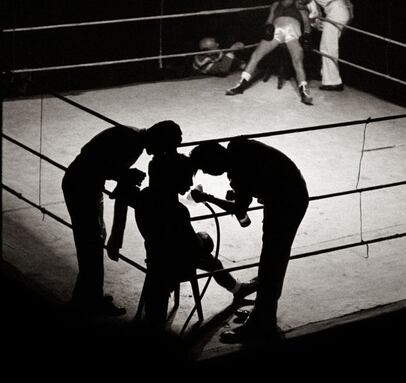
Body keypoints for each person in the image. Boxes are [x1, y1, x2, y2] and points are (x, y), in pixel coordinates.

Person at [115, 153, 257, 328]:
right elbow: (194, 245)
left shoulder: (144, 196)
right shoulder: (178, 211)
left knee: (202, 261)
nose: (190, 184)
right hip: (177, 262)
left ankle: (155, 316)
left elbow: (124, 195)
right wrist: (205, 238)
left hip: (154, 256)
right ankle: (236, 289)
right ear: (172, 179)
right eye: (186, 178)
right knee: (210, 257)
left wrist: (127, 182)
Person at [189, 137, 309, 344]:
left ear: (212, 161)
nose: (208, 174)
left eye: (206, 169)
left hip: (286, 202)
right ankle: (262, 311)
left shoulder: (237, 170)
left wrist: (207, 197)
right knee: (272, 257)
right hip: (287, 195)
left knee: (273, 259)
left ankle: (263, 321)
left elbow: (239, 209)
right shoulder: (238, 147)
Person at [62, 120, 182, 316]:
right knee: (91, 240)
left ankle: (88, 294)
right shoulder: (132, 142)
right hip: (82, 185)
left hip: (85, 183)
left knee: (93, 238)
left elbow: (98, 159)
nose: (159, 153)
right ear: (159, 139)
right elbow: (100, 163)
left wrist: (123, 174)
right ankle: (89, 300)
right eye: (164, 147)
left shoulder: (133, 138)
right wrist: (124, 174)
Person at [225, 0, 313, 105]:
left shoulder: (297, 2)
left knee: (297, 61)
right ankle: (240, 85)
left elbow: (305, 20)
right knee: (255, 55)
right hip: (276, 31)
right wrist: (268, 27)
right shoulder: (275, 4)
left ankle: (304, 92)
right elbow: (269, 21)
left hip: (293, 31)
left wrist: (307, 34)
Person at [301, 0, 354, 90]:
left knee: (328, 48)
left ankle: (333, 82)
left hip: (336, 11)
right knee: (327, 45)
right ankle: (326, 75)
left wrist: (300, 3)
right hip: (344, 8)